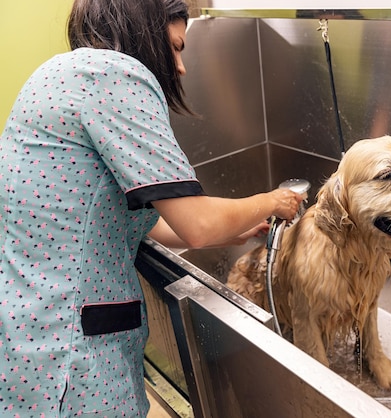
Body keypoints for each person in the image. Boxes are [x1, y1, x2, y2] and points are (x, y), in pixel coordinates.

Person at [0, 0, 302, 416]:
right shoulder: (114, 74)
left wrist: (234, 230)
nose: (180, 67)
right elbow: (196, 224)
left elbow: (135, 221)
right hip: (74, 354)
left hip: (28, 334)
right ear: (145, 28)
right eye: (176, 47)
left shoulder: (55, 74)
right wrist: (271, 201)